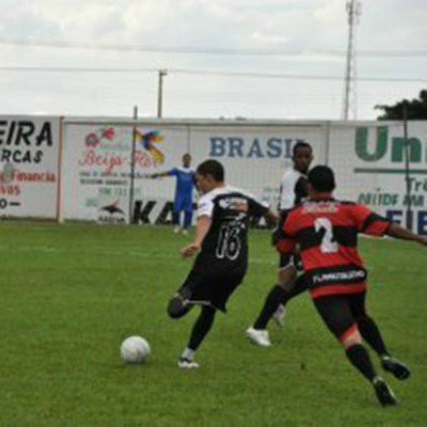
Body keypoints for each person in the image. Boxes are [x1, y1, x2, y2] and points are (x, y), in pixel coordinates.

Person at [276, 165, 427, 406]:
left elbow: (284, 247)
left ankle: (376, 380)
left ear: (309, 187)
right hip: (354, 279)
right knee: (361, 315)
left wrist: (298, 247)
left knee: (349, 336)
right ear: (334, 186)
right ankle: (385, 355)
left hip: (323, 283)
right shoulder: (350, 209)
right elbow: (387, 227)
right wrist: (419, 238)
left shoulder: (295, 215)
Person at [167, 159, 278, 368]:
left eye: (199, 181)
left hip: (210, 265)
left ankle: (188, 296)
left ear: (209, 178)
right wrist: (280, 233)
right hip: (237, 269)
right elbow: (270, 213)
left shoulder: (209, 198)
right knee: (209, 309)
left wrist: (197, 242)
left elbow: (205, 219)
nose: (197, 185)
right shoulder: (243, 196)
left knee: (174, 311)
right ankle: (186, 358)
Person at [246, 141, 314, 346]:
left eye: (307, 156)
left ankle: (279, 304)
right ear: (293, 158)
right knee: (289, 281)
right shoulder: (293, 178)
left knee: (311, 275)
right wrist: (290, 239)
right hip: (291, 237)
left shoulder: (303, 179)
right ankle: (258, 327)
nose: (303, 159)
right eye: (299, 156)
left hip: (297, 236)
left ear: (311, 158)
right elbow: (286, 211)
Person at [152, 153, 195, 234]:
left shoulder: (193, 171)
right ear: (183, 160)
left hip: (188, 195)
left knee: (188, 212)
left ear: (190, 160)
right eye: (185, 159)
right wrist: (158, 175)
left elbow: (197, 182)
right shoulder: (178, 170)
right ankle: (177, 225)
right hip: (179, 194)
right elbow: (167, 173)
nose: (187, 161)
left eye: (188, 160)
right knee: (176, 210)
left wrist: (200, 191)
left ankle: (185, 228)